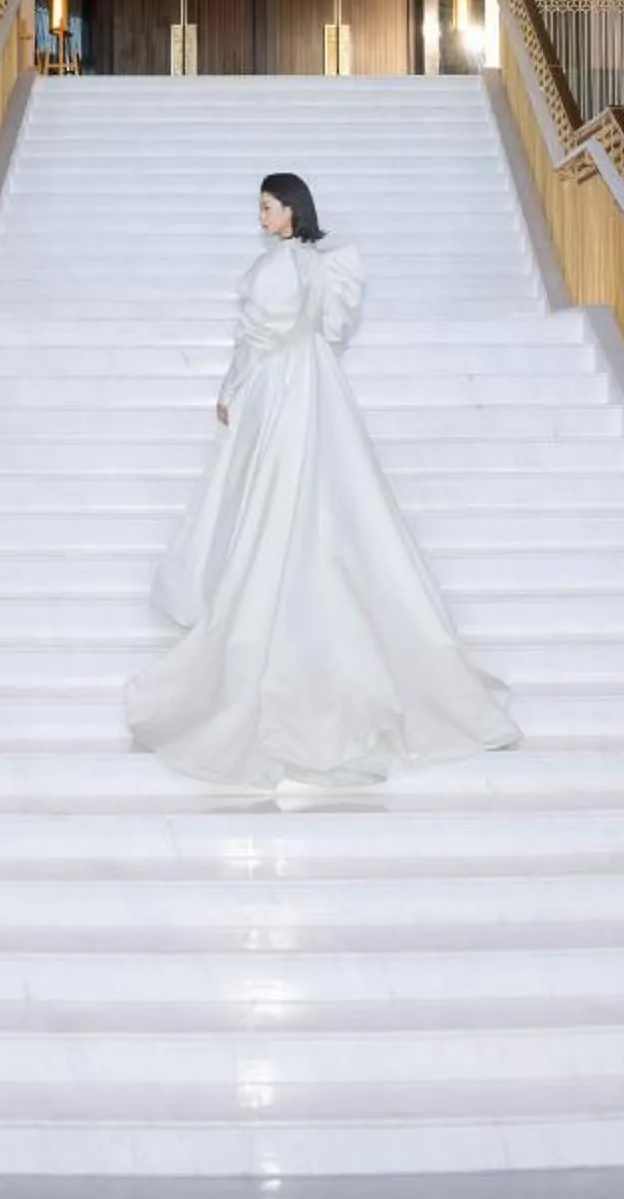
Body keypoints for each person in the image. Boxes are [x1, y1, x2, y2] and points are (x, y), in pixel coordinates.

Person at [125, 172, 521, 788]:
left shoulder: (282, 269)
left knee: (277, 495)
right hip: (312, 384)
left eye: (267, 206)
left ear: (291, 211)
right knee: (326, 494)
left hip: (281, 389)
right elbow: (327, 331)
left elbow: (256, 337)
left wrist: (229, 389)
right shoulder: (320, 266)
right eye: (259, 206)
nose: (261, 215)